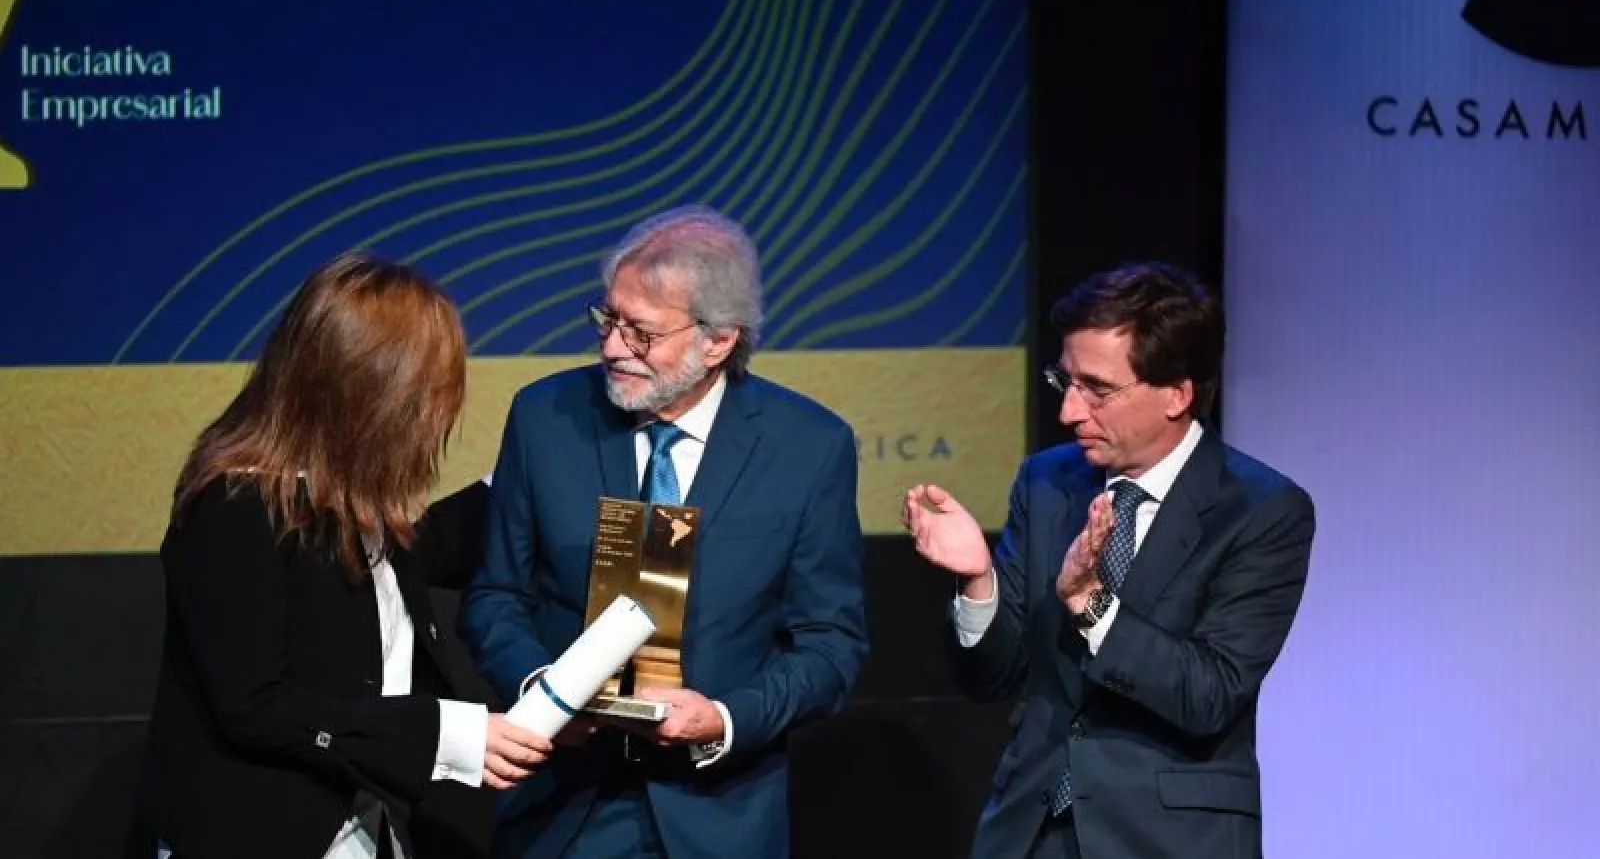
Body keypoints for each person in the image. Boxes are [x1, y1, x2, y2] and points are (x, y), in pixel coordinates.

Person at [459, 205, 868, 859]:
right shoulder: (544, 417)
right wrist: (543, 694)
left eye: (641, 332)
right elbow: (496, 595)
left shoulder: (809, 447)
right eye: (607, 319)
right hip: (564, 809)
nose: (612, 346)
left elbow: (829, 644)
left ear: (719, 341)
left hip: (719, 817)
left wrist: (724, 718)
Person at [133, 254, 552, 859]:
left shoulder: (348, 509)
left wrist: (538, 468)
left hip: (365, 827)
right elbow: (256, 708)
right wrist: (447, 734)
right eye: (432, 391)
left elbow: (424, 548)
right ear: (377, 396)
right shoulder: (236, 508)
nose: (444, 413)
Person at [904, 261, 1316, 859]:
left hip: (1168, 839)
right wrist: (977, 580)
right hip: (1032, 833)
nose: (1070, 411)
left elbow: (1209, 693)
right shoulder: (1047, 481)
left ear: (1177, 394)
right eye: (1065, 382)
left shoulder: (1260, 510)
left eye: (1097, 389)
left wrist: (1091, 601)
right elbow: (990, 678)